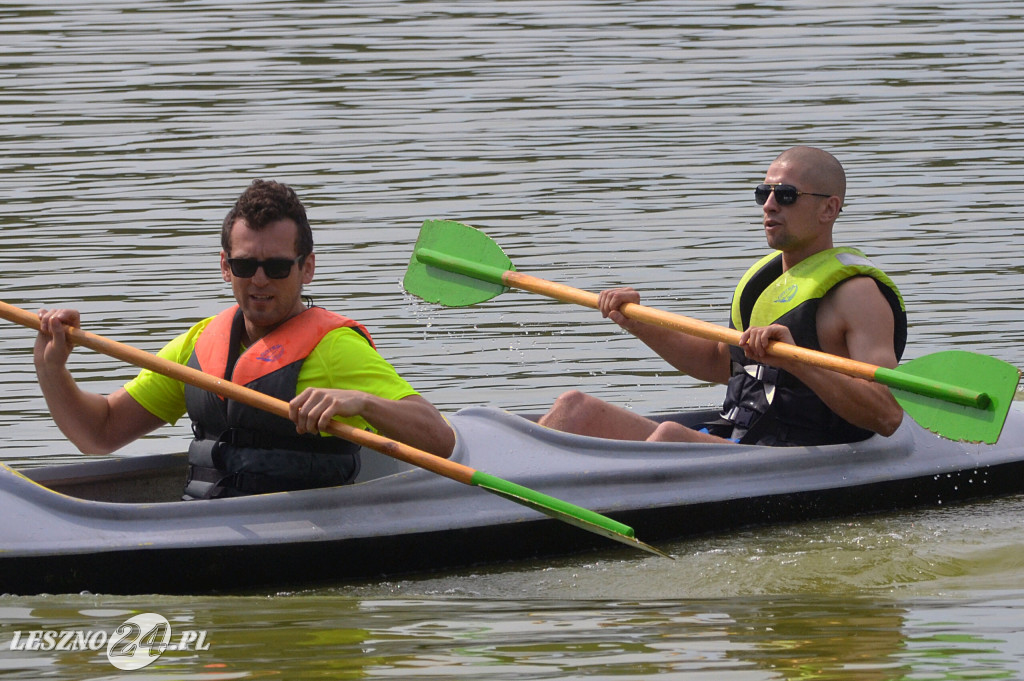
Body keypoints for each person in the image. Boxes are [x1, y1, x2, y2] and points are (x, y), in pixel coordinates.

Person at [34, 179, 455, 498]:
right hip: (209, 523)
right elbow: (100, 433)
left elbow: (439, 439)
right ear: (224, 265)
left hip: (305, 538)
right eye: (243, 265)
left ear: (306, 268)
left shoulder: (334, 349)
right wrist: (51, 369)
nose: (258, 281)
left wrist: (360, 401)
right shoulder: (198, 344)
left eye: (276, 267)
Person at [538, 146, 908, 446]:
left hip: (800, 456)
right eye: (764, 193)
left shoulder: (858, 295)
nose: (769, 205)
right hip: (735, 438)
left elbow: (887, 415)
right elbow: (718, 362)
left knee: (669, 437)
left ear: (829, 208)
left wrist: (799, 361)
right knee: (574, 408)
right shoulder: (763, 284)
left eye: (787, 195)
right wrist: (636, 320)